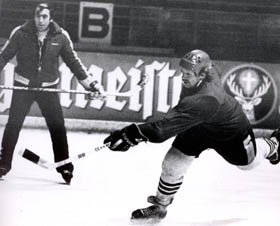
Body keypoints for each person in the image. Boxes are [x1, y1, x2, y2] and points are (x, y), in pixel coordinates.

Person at [104, 49, 280, 220]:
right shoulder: (205, 71)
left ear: (202, 76)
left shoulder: (207, 98)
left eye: (188, 74)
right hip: (199, 126)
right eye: (183, 72)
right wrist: (133, 134)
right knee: (172, 164)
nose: (183, 77)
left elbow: (161, 130)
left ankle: (274, 144)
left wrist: (130, 134)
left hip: (229, 130)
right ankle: (160, 206)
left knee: (247, 164)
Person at [0, 2, 104, 184]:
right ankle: (3, 164)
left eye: (44, 16)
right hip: (23, 86)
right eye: (38, 16)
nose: (41, 20)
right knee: (13, 124)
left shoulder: (61, 36)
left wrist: (91, 85)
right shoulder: (20, 33)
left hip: (48, 88)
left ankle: (65, 167)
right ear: (33, 16)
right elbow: (3, 56)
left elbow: (74, 62)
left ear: (51, 17)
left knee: (57, 126)